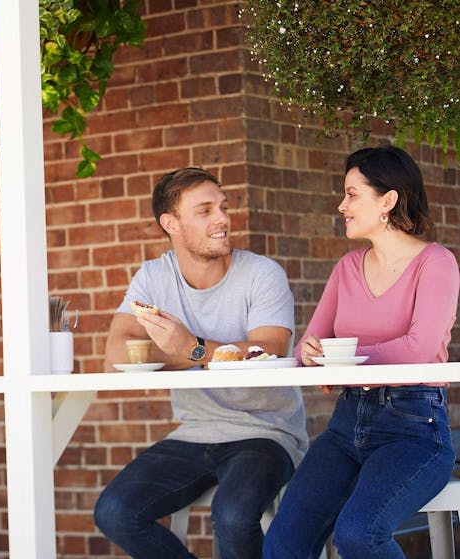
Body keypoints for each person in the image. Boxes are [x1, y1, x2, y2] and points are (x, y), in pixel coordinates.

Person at [93, 167, 308, 559]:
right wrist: (196, 351)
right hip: (194, 433)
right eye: (205, 211)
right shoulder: (154, 277)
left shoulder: (262, 274)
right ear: (170, 223)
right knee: (114, 511)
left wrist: (192, 348)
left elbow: (271, 348)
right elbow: (117, 354)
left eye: (223, 207)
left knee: (233, 514)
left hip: (266, 434)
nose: (223, 219)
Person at [263, 145, 460, 559]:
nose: (342, 205)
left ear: (388, 200)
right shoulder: (347, 268)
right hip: (345, 426)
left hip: (414, 429)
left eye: (352, 194)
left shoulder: (436, 263)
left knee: (358, 534)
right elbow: (308, 347)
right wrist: (314, 352)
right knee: (283, 541)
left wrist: (342, 361)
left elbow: (419, 350)